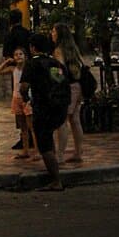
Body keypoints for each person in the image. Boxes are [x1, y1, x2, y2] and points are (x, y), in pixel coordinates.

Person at [19, 31, 71, 191]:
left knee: (44, 145)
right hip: (59, 107)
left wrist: (26, 99)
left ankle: (56, 180)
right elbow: (60, 82)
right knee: (48, 139)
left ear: (32, 48)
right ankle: (53, 171)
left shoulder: (32, 64)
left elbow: (24, 87)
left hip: (43, 107)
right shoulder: (55, 63)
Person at [51, 21, 85, 164]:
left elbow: (60, 71)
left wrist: (52, 74)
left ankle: (60, 154)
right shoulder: (73, 48)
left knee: (62, 121)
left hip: (68, 87)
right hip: (78, 85)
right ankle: (78, 152)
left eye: (53, 31)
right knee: (75, 120)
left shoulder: (59, 50)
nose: (51, 33)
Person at [0, 46, 36, 160]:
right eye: (16, 54)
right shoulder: (13, 69)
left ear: (25, 56)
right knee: (22, 127)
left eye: (20, 54)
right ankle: (25, 150)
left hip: (26, 98)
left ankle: (37, 152)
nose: (18, 56)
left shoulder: (29, 68)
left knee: (31, 126)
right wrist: (7, 61)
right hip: (16, 98)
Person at [2, 10, 32, 147]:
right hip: (29, 70)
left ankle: (23, 136)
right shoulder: (28, 33)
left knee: (19, 102)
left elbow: (6, 57)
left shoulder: (9, 36)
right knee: (29, 102)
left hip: (16, 71)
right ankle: (31, 134)